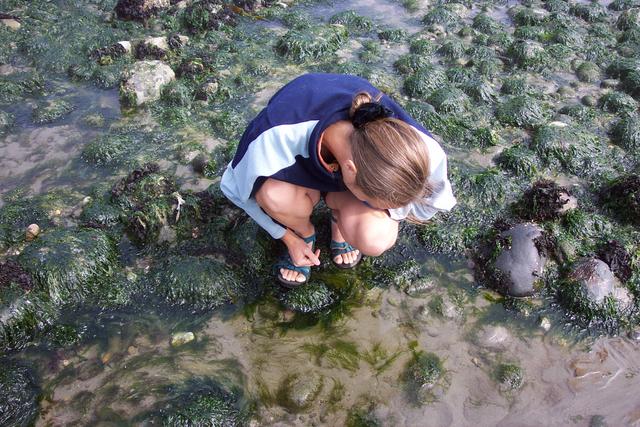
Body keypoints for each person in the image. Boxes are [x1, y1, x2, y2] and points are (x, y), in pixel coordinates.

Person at [220, 73, 456, 287]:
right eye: (377, 203)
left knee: (375, 238)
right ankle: (304, 233)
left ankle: (338, 220)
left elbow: (435, 202)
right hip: (298, 166)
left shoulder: (422, 150)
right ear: (350, 171)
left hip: (348, 170)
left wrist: (389, 208)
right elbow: (231, 187)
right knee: (273, 194)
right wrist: (286, 237)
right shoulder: (275, 138)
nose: (384, 210)